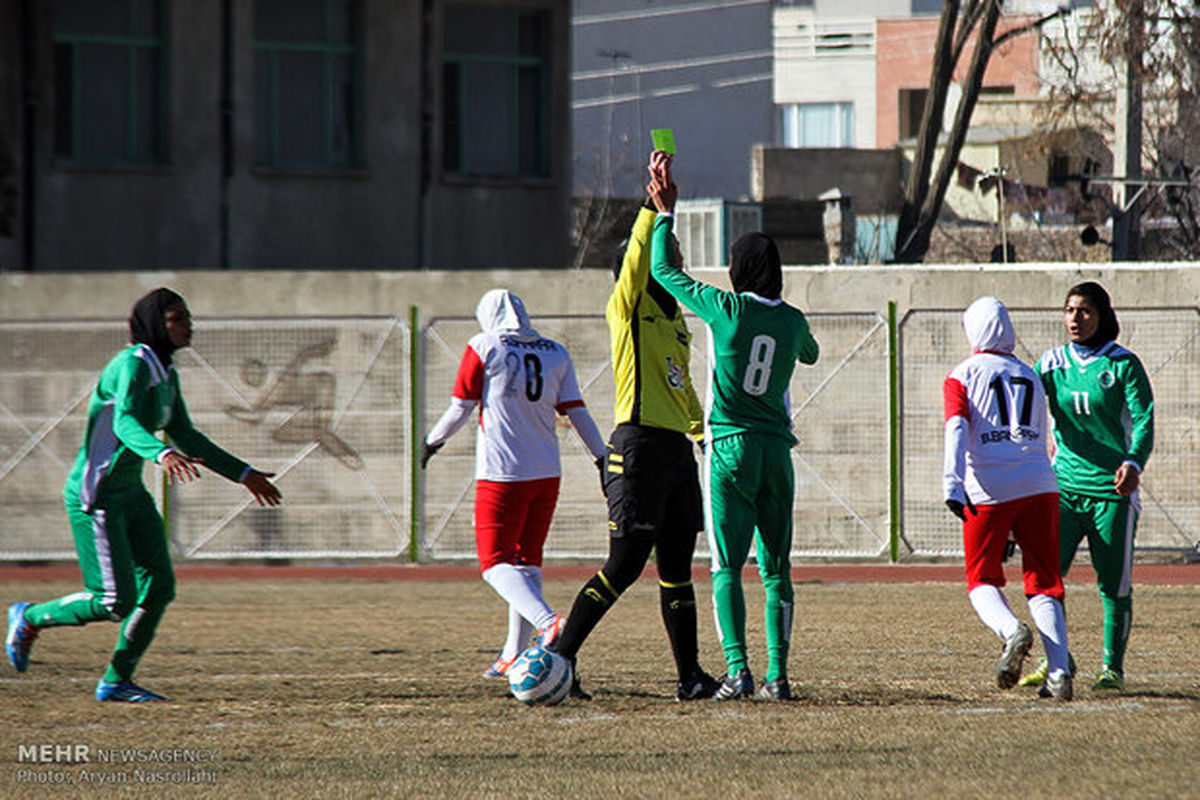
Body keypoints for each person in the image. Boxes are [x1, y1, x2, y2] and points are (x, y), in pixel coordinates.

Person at [5, 288, 282, 702]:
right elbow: (125, 423)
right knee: (114, 601)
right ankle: (30, 617)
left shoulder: (166, 373)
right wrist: (162, 452)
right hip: (95, 496)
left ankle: (116, 681)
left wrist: (243, 474)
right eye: (177, 317)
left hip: (129, 492)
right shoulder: (133, 364)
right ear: (154, 323)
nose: (189, 324)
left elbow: (186, 432)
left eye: (188, 316)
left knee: (159, 587)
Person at [645, 153, 819, 701]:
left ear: (738, 270)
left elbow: (662, 272)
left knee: (726, 566)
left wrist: (665, 214)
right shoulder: (792, 321)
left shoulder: (727, 309)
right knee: (776, 569)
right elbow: (809, 354)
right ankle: (780, 677)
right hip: (777, 451)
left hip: (730, 447)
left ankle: (739, 671)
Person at [550, 152, 721, 702]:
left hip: (675, 454)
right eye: (663, 255)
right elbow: (635, 265)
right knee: (623, 566)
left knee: (677, 569)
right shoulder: (627, 308)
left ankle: (690, 676)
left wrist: (701, 432)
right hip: (638, 449)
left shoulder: (676, 321)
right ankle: (560, 658)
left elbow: (683, 387)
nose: (674, 260)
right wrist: (655, 209)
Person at [420, 289, 607, 680]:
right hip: (546, 473)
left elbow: (460, 407)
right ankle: (511, 653)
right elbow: (576, 412)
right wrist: (602, 457)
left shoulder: (484, 345)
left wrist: (432, 441)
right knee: (525, 561)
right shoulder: (555, 350)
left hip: (503, 473)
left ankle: (549, 624)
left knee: (494, 564)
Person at [1021, 282, 1153, 692]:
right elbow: (1027, 409)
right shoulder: (1050, 363)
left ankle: (1112, 668)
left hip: (1112, 492)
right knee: (1046, 579)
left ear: (1102, 315)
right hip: (1061, 489)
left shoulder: (1123, 363)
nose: (1076, 319)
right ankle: (1060, 659)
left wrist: (1132, 462)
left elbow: (1144, 420)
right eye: (1070, 310)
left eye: (1085, 311)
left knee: (1113, 583)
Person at [942, 296, 1072, 700]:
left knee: (981, 579)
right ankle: (1060, 671)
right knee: (1044, 582)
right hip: (1039, 482)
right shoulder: (1029, 375)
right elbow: (1041, 432)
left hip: (989, 486)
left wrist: (952, 483)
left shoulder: (961, 375)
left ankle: (1011, 630)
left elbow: (957, 430)